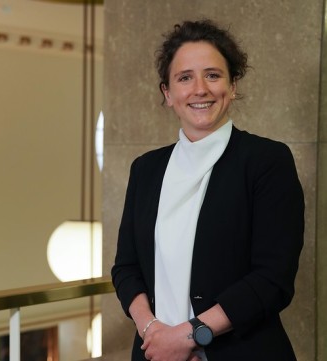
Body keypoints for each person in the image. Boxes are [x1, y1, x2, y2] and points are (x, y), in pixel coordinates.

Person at [111, 19, 304, 361]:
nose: (199, 89)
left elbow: (273, 279)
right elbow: (126, 269)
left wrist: (190, 335)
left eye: (213, 75)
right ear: (167, 93)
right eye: (185, 78)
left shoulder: (266, 161)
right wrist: (152, 331)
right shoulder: (146, 169)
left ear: (232, 86)